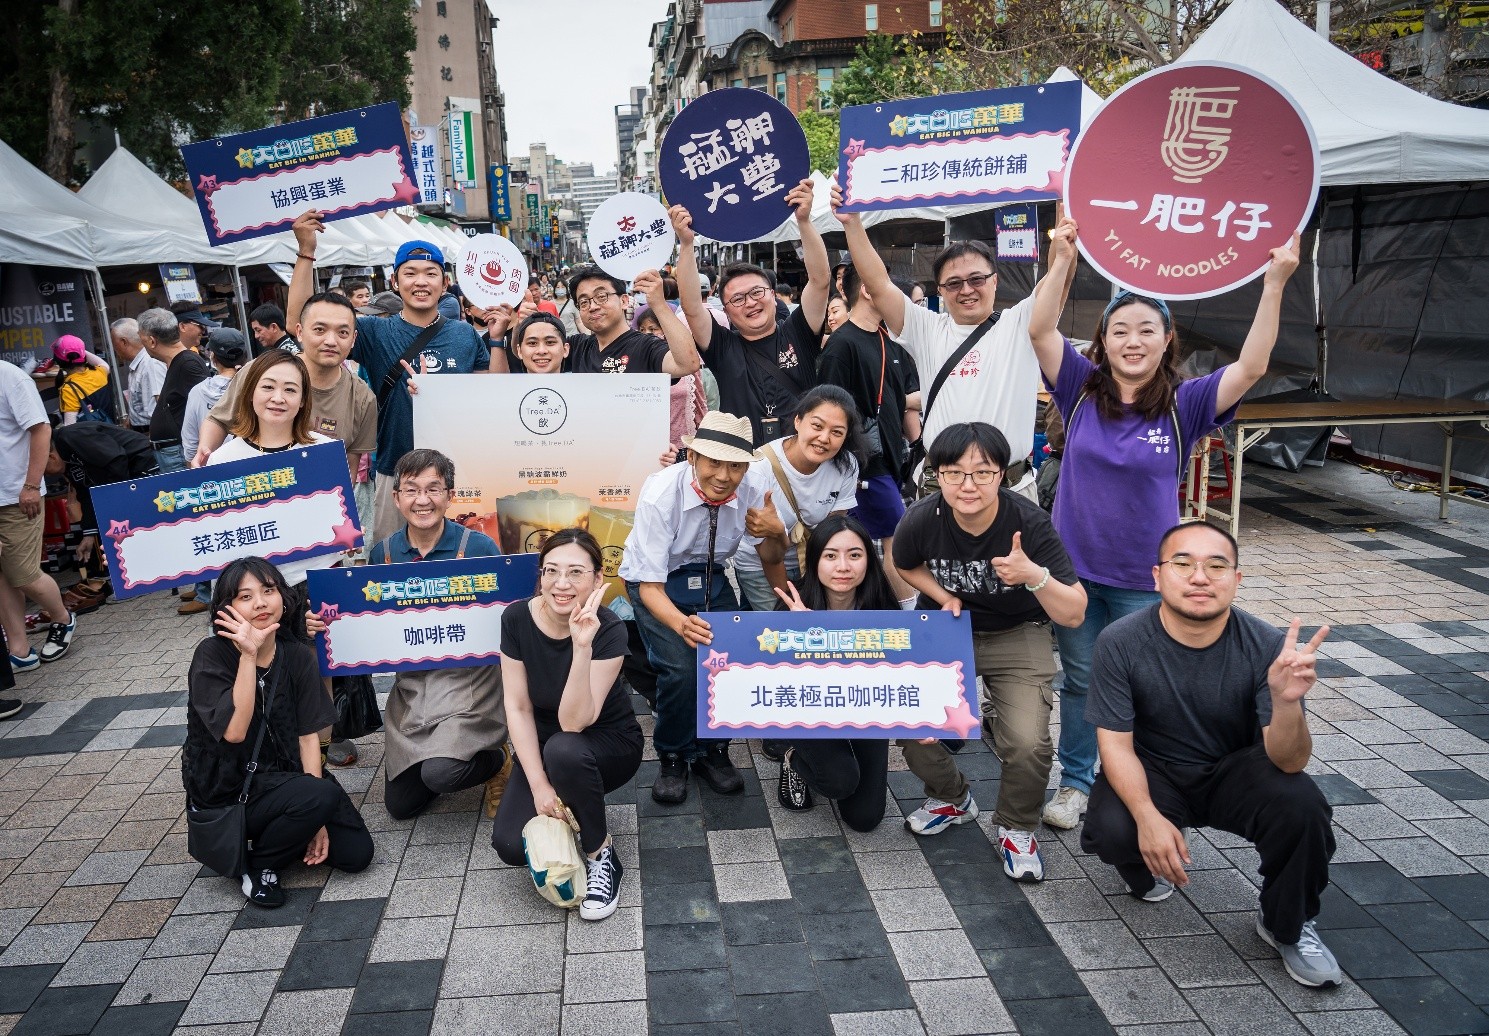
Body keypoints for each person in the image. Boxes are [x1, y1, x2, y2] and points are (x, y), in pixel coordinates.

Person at [1028, 217, 1302, 832]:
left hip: (1145, 578)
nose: (1133, 341)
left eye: (1146, 329)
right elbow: (1040, 329)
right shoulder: (1078, 388)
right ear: (1103, 341)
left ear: (1166, 338)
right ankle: (1077, 782)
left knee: (1145, 686)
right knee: (1082, 680)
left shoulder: (1187, 402)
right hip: (1074, 572)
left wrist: (1275, 282)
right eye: (1119, 330)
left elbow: (1252, 366)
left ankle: (1139, 785)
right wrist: (1062, 261)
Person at [1081, 523, 1340, 987]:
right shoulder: (1120, 641)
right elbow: (1115, 745)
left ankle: (1287, 924)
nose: (1200, 577)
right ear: (1157, 576)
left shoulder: (1265, 645)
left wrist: (1285, 703)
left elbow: (1289, 762)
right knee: (1114, 828)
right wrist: (1148, 817)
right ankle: (1148, 862)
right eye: (1183, 564)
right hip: (1155, 768)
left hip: (1236, 770)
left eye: (1216, 566)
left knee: (1302, 807)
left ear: (1236, 579)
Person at [892, 422, 1086, 881]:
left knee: (1028, 742)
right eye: (954, 472)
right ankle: (951, 798)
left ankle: (1017, 827)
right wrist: (943, 595)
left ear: (1002, 474)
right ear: (937, 475)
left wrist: (1033, 575)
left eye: (982, 472)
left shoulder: (1029, 523)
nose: (968, 484)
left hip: (1017, 631)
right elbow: (904, 563)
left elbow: (1075, 612)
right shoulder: (922, 517)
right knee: (912, 722)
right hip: (946, 630)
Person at [287, 209, 509, 547]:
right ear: (395, 282)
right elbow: (300, 319)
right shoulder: (374, 332)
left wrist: (497, 340)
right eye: (410, 273)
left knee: (463, 559)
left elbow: (497, 393)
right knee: (392, 559)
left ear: (444, 283)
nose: (421, 282)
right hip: (395, 471)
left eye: (431, 274)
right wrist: (306, 252)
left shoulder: (464, 334)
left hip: (457, 473)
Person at [833, 187, 1071, 500]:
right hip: (941, 490)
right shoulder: (926, 328)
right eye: (954, 283)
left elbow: (1058, 276)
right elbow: (878, 284)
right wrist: (852, 222)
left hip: (1011, 491)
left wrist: (1063, 204)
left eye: (977, 279)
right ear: (941, 291)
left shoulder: (1021, 323)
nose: (966, 290)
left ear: (995, 280)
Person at [310, 449, 510, 819]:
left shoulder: (479, 548)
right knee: (401, 806)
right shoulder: (384, 554)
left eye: (434, 489)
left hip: (470, 687)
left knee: (441, 774)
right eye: (412, 489)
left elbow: (508, 618)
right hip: (413, 691)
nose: (423, 500)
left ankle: (496, 760)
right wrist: (326, 623)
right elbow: (365, 625)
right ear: (396, 497)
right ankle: (440, 756)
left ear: (450, 495)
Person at [183, 557, 373, 907]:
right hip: (228, 790)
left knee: (356, 854)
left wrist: (315, 819)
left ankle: (286, 829)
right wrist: (247, 655)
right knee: (318, 796)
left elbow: (308, 736)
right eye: (245, 596)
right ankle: (260, 865)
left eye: (268, 591)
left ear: (284, 598)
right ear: (226, 608)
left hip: (287, 779)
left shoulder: (296, 655)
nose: (260, 603)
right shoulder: (211, 654)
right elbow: (234, 732)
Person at [620, 412, 788, 804]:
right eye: (714, 462)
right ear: (692, 457)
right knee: (681, 668)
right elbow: (650, 588)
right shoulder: (661, 493)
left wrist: (776, 532)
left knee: (727, 660)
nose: (724, 476)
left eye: (736, 465)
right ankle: (673, 754)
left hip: (711, 573)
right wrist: (682, 624)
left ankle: (714, 749)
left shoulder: (756, 485)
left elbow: (772, 556)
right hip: (656, 580)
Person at [491, 529, 644, 921]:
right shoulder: (515, 618)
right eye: (552, 571)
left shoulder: (609, 628)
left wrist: (581, 645)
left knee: (565, 748)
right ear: (540, 575)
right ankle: (571, 803)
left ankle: (600, 853)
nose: (562, 583)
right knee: (510, 845)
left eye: (576, 572)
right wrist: (539, 786)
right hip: (546, 747)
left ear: (597, 579)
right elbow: (518, 707)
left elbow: (574, 722)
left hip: (607, 743)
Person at [671, 180, 832, 446]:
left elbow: (820, 281)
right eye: (737, 298)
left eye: (757, 292)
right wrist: (687, 245)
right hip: (743, 462)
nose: (750, 303)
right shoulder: (722, 347)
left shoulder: (799, 332)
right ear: (725, 310)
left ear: (773, 295)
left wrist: (803, 221)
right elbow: (692, 307)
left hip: (801, 459)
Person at [772, 515, 897, 830]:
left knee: (864, 819)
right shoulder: (793, 605)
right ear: (815, 560)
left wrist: (923, 722)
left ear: (869, 559)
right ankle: (792, 758)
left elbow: (903, 671)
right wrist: (800, 637)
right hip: (810, 709)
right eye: (830, 556)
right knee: (840, 781)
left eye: (854, 555)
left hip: (865, 707)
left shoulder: (881, 605)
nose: (843, 566)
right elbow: (772, 681)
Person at [817, 265, 923, 605]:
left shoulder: (885, 339)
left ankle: (879, 611)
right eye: (884, 282)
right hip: (863, 465)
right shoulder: (841, 344)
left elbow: (897, 400)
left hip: (889, 460)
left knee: (876, 543)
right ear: (866, 289)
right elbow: (829, 410)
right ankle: (911, 618)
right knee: (895, 542)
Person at [732, 385, 863, 613]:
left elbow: (831, 533)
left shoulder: (846, 465)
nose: (824, 438)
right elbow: (769, 556)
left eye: (837, 432)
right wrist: (790, 603)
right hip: (760, 565)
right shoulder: (759, 469)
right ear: (798, 421)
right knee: (785, 626)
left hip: (811, 564)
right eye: (817, 426)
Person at [0, 362, 76, 678]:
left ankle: (62, 618)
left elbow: (42, 429)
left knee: (23, 574)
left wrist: (31, 485)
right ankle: (19, 650)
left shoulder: (10, 377)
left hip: (16, 495)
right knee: (3, 574)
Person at [47, 422, 157, 615]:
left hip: (139, 461)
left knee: (126, 522)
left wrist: (115, 499)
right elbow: (86, 494)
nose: (49, 476)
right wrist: (88, 534)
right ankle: (136, 578)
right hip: (122, 474)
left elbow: (116, 458)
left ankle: (138, 580)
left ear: (51, 457)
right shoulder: (65, 459)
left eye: (45, 470)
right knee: (115, 519)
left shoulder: (70, 437)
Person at [563, 266, 700, 376]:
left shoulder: (646, 347)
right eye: (584, 302)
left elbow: (688, 364)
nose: (592, 307)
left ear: (624, 301)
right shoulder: (577, 347)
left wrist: (659, 304)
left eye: (601, 296)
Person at [181, 329, 249, 477]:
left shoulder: (198, 392)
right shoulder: (255, 386)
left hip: (212, 472)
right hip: (252, 466)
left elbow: (191, 445)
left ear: (213, 356)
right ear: (245, 355)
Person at [112, 317, 167, 435]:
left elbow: (159, 409)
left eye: (114, 344)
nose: (114, 350)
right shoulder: (138, 365)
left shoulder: (150, 364)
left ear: (123, 342)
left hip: (152, 434)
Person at [51, 335, 113, 426]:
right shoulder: (100, 372)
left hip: (90, 434)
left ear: (58, 361)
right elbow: (102, 363)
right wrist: (79, 349)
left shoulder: (69, 389)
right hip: (112, 430)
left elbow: (70, 426)